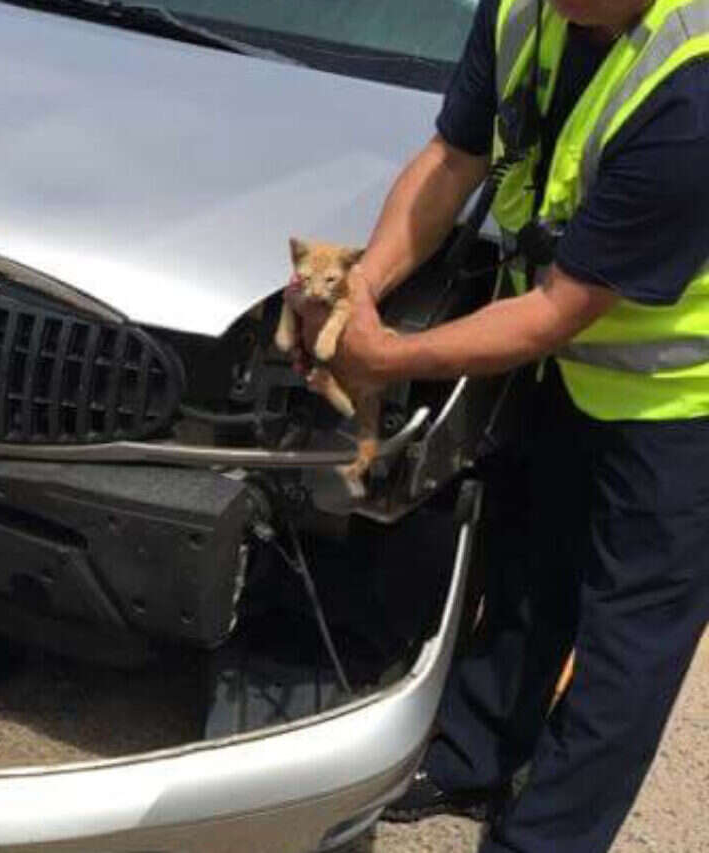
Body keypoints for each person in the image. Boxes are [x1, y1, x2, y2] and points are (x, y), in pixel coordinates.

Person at [284, 0, 709, 850]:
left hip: (679, 406)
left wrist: (388, 357)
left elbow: (557, 309)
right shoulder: (524, 8)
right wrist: (364, 288)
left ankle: (543, 838)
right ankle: (470, 758)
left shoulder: (691, 88)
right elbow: (452, 158)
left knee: (626, 649)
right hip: (564, 370)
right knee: (525, 566)